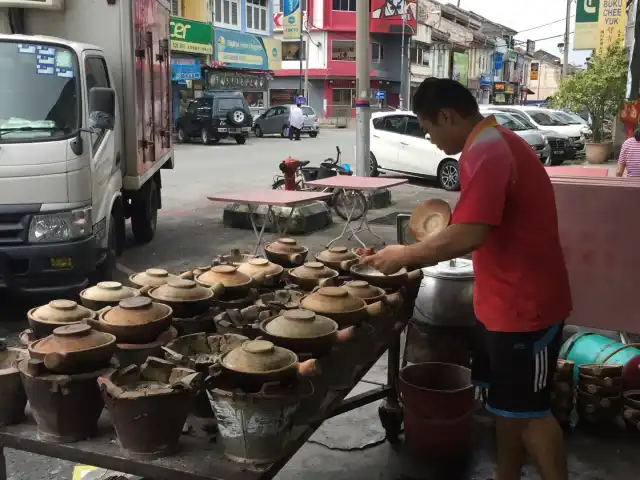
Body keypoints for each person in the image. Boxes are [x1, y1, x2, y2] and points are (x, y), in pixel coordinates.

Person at [362, 78, 571, 480]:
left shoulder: (488, 149)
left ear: (447, 116)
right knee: (508, 409)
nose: (430, 138)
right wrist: (409, 248)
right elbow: (472, 222)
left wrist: (405, 255)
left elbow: (472, 233)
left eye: (428, 129)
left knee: (531, 415)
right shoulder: (490, 142)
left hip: (527, 307)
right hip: (504, 305)